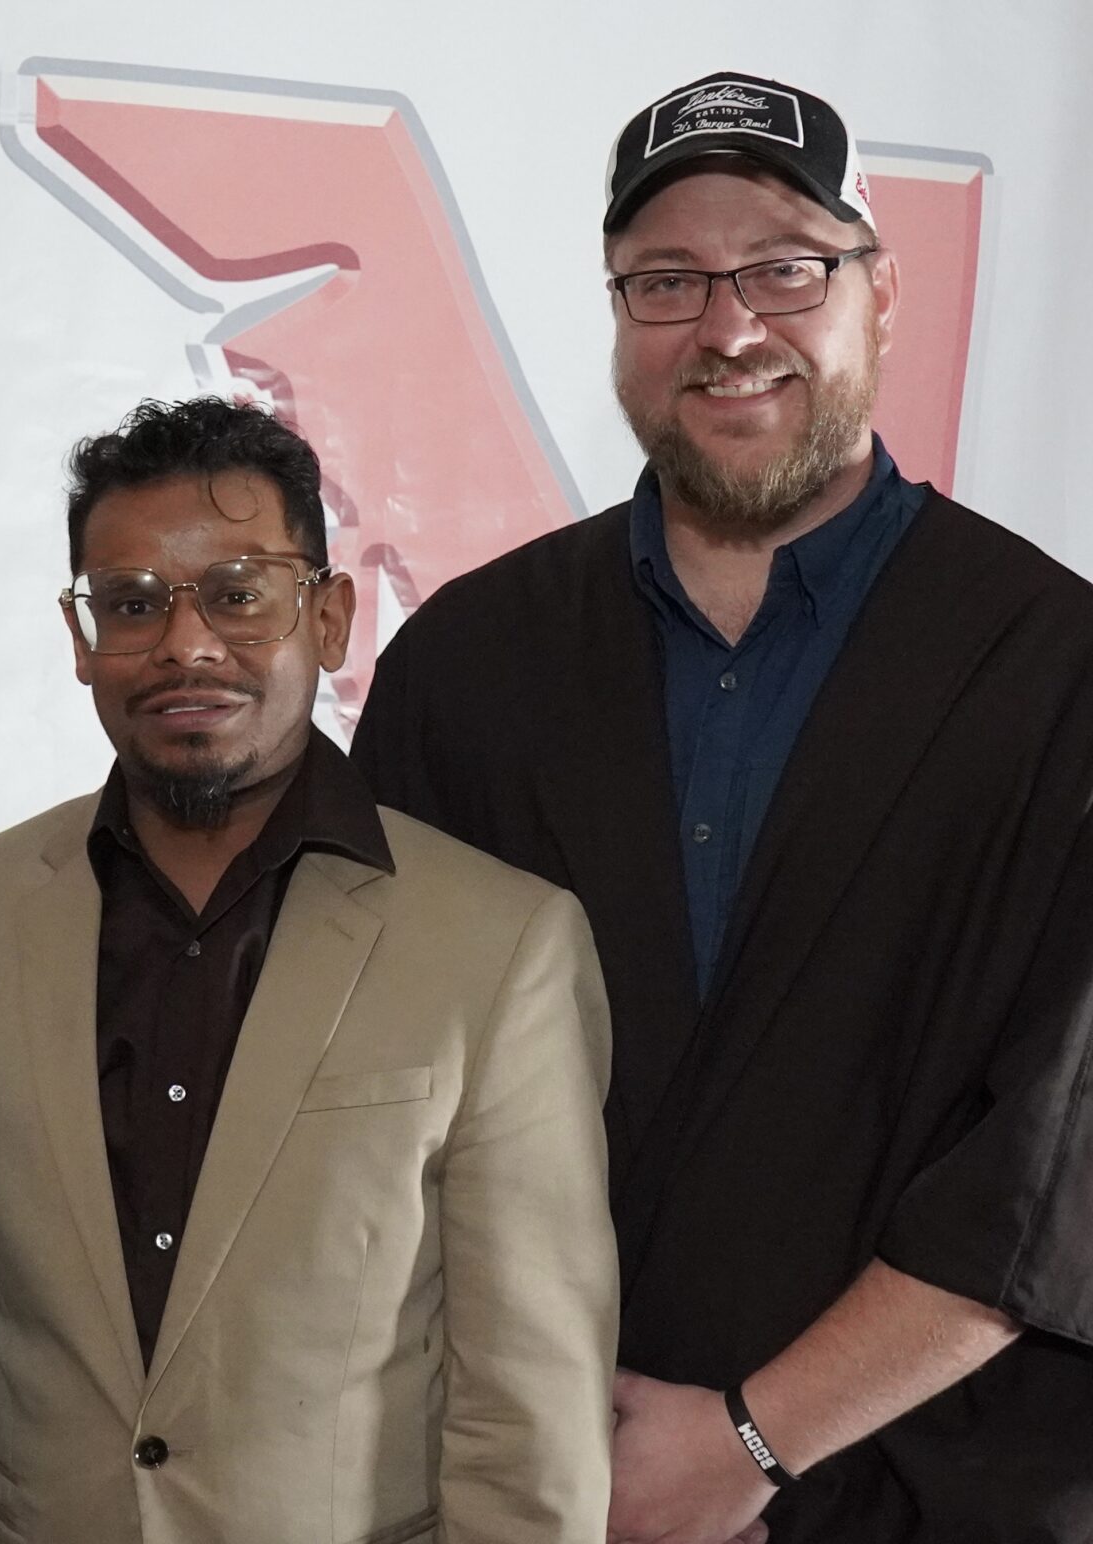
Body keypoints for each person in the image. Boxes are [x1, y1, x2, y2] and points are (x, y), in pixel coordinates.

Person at [354, 70, 1093, 1544]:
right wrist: (550, 1439)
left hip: (948, 1490)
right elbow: (377, 1101)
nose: (729, 326)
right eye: (668, 280)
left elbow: (1060, 1151)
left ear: (881, 294)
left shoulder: (1056, 668)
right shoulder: (468, 667)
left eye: (784, 268)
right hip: (542, 1485)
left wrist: (749, 1441)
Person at [0, 397, 616, 1543]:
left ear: (327, 617)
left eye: (238, 593)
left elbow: (528, 1417)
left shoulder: (501, 946)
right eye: (133, 603)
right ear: (81, 639)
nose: (185, 644)